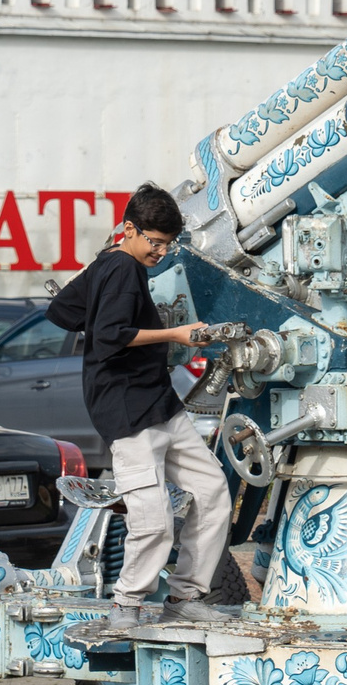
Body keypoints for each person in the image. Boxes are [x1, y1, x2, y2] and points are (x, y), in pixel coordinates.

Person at [48, 184, 234, 633]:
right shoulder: (122, 267)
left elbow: (60, 311)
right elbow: (110, 335)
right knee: (153, 520)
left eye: (168, 244)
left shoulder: (111, 266)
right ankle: (126, 606)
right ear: (128, 230)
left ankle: (187, 597)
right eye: (155, 241)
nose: (161, 251)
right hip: (127, 412)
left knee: (212, 494)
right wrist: (175, 335)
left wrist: (92, 295)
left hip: (159, 405)